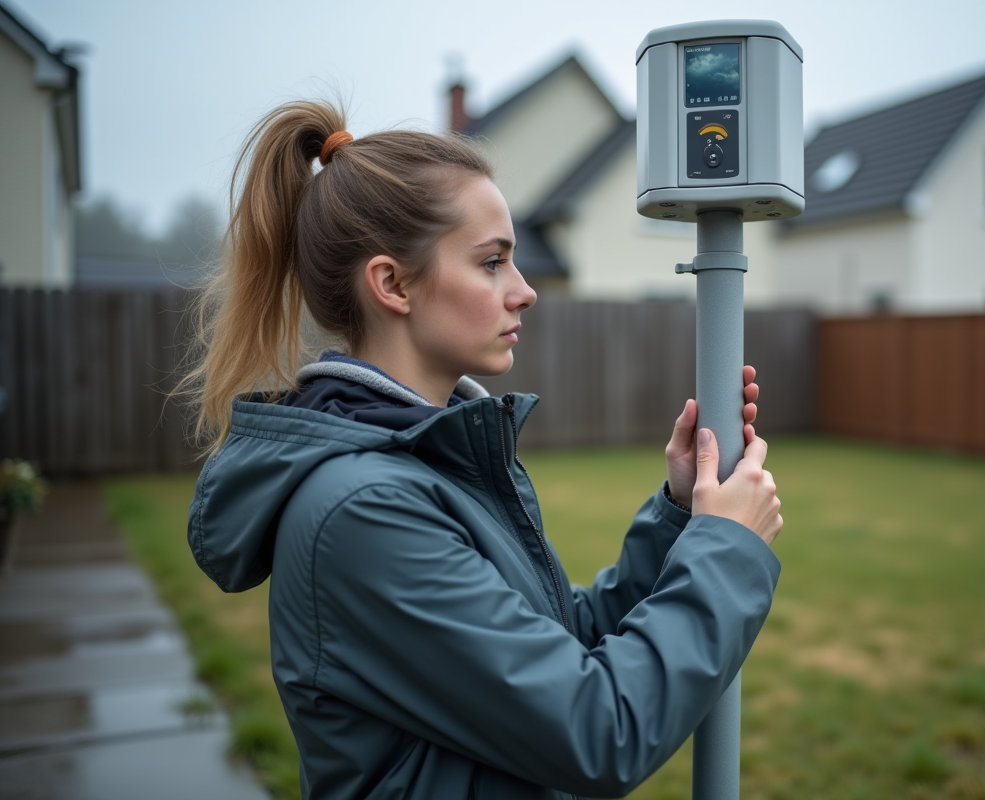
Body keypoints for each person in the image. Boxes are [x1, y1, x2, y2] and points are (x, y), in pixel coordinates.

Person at [185, 100, 783, 800]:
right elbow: (599, 729)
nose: (524, 291)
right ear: (392, 284)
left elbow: (560, 648)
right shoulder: (363, 512)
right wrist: (726, 547)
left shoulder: (429, 462)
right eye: (492, 262)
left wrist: (682, 515)